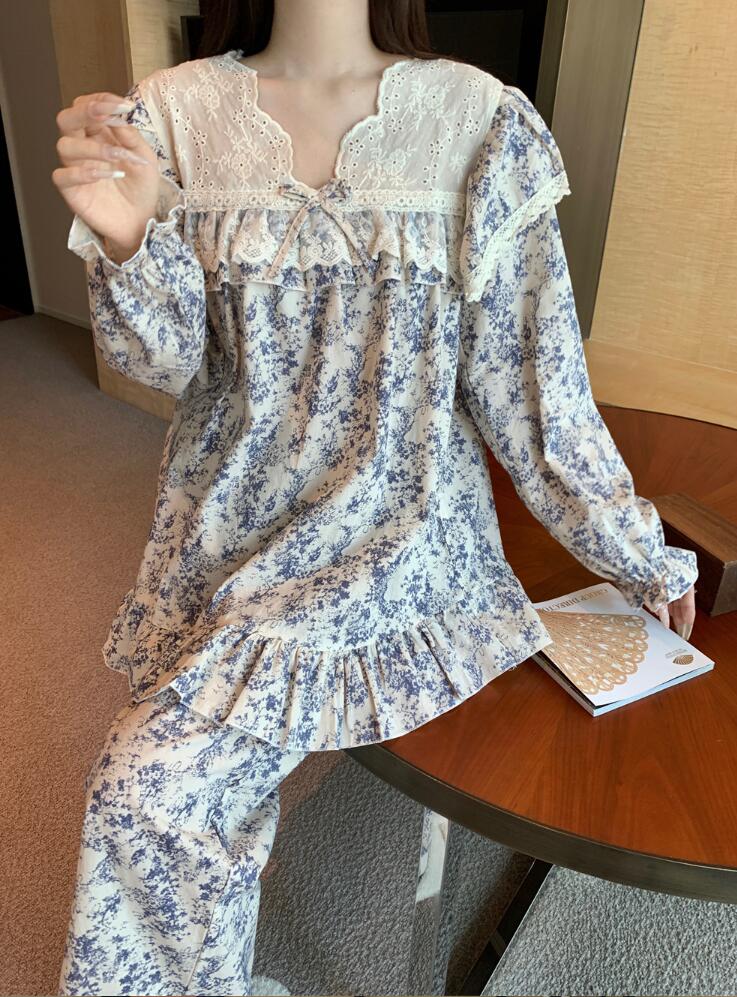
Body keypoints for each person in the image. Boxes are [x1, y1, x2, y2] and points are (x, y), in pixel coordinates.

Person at [52, 0, 697, 993]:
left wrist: (632, 550)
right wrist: (134, 239)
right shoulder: (169, 112)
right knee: (155, 802)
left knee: (149, 791)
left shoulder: (477, 119)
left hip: (399, 539)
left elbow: (531, 384)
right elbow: (168, 364)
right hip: (226, 534)